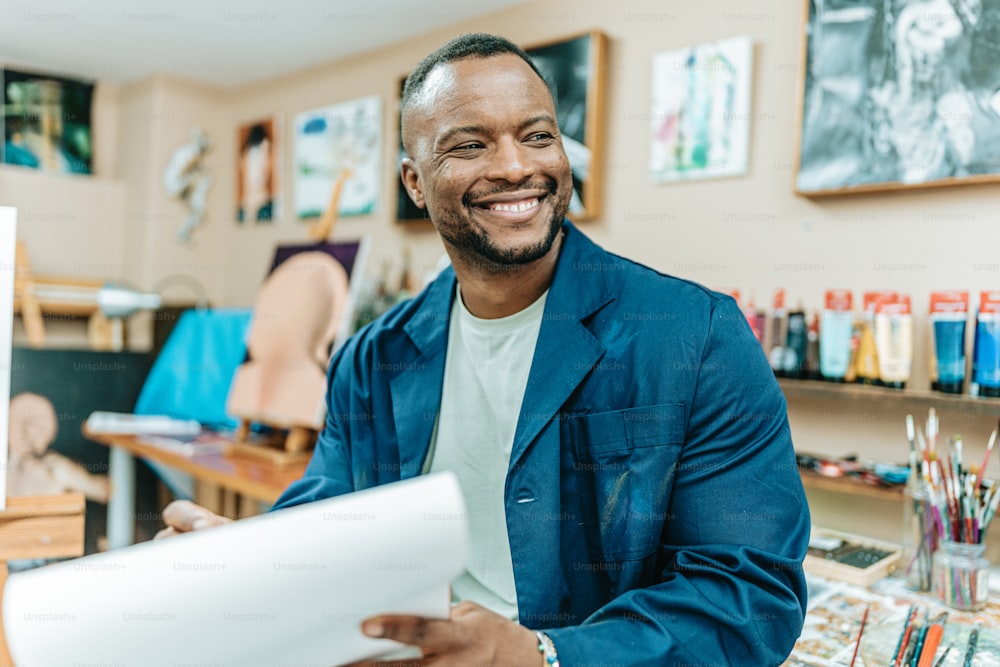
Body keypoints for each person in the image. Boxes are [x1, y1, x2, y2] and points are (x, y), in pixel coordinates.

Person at [162, 33, 809, 666]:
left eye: (537, 135)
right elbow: (329, 513)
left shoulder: (697, 337)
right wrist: (244, 557)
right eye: (470, 144)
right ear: (414, 182)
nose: (515, 166)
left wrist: (546, 655)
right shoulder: (371, 359)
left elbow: (750, 597)